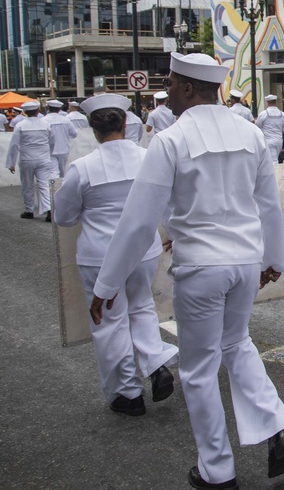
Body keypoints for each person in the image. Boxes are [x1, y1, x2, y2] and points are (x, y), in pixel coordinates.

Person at [89, 52, 284, 489]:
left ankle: (217, 470)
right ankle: (277, 426)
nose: (167, 93)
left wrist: (107, 282)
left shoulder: (171, 139)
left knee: (200, 370)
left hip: (201, 265)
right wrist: (273, 259)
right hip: (244, 263)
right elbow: (268, 205)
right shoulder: (250, 132)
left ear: (186, 88)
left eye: (170, 83)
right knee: (237, 344)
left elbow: (138, 220)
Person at [53, 93, 179, 417]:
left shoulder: (82, 168)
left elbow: (64, 217)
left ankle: (127, 392)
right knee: (141, 307)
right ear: (126, 124)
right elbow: (165, 202)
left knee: (109, 322)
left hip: (100, 254)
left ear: (93, 130)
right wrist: (169, 233)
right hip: (144, 248)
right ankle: (156, 363)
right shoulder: (146, 157)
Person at [6, 100, 54, 220]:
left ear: (25, 112)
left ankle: (29, 210)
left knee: (27, 185)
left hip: (27, 158)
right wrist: (49, 154)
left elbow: (14, 145)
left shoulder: (20, 125)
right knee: (44, 184)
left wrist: (11, 163)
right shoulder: (46, 124)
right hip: (44, 158)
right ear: (38, 111)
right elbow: (52, 142)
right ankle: (49, 210)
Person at [256, 95, 284, 164]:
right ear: (275, 102)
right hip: (279, 141)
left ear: (267, 103)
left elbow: (257, 128)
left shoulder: (263, 114)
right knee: (274, 158)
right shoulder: (282, 115)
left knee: (273, 161)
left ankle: (274, 174)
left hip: (268, 141)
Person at [44, 99, 78, 177]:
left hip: (50, 150)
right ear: (59, 109)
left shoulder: (43, 120)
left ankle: (54, 188)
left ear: (48, 108)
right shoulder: (66, 120)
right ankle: (62, 187)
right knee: (63, 172)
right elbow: (74, 134)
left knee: (53, 172)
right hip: (64, 149)